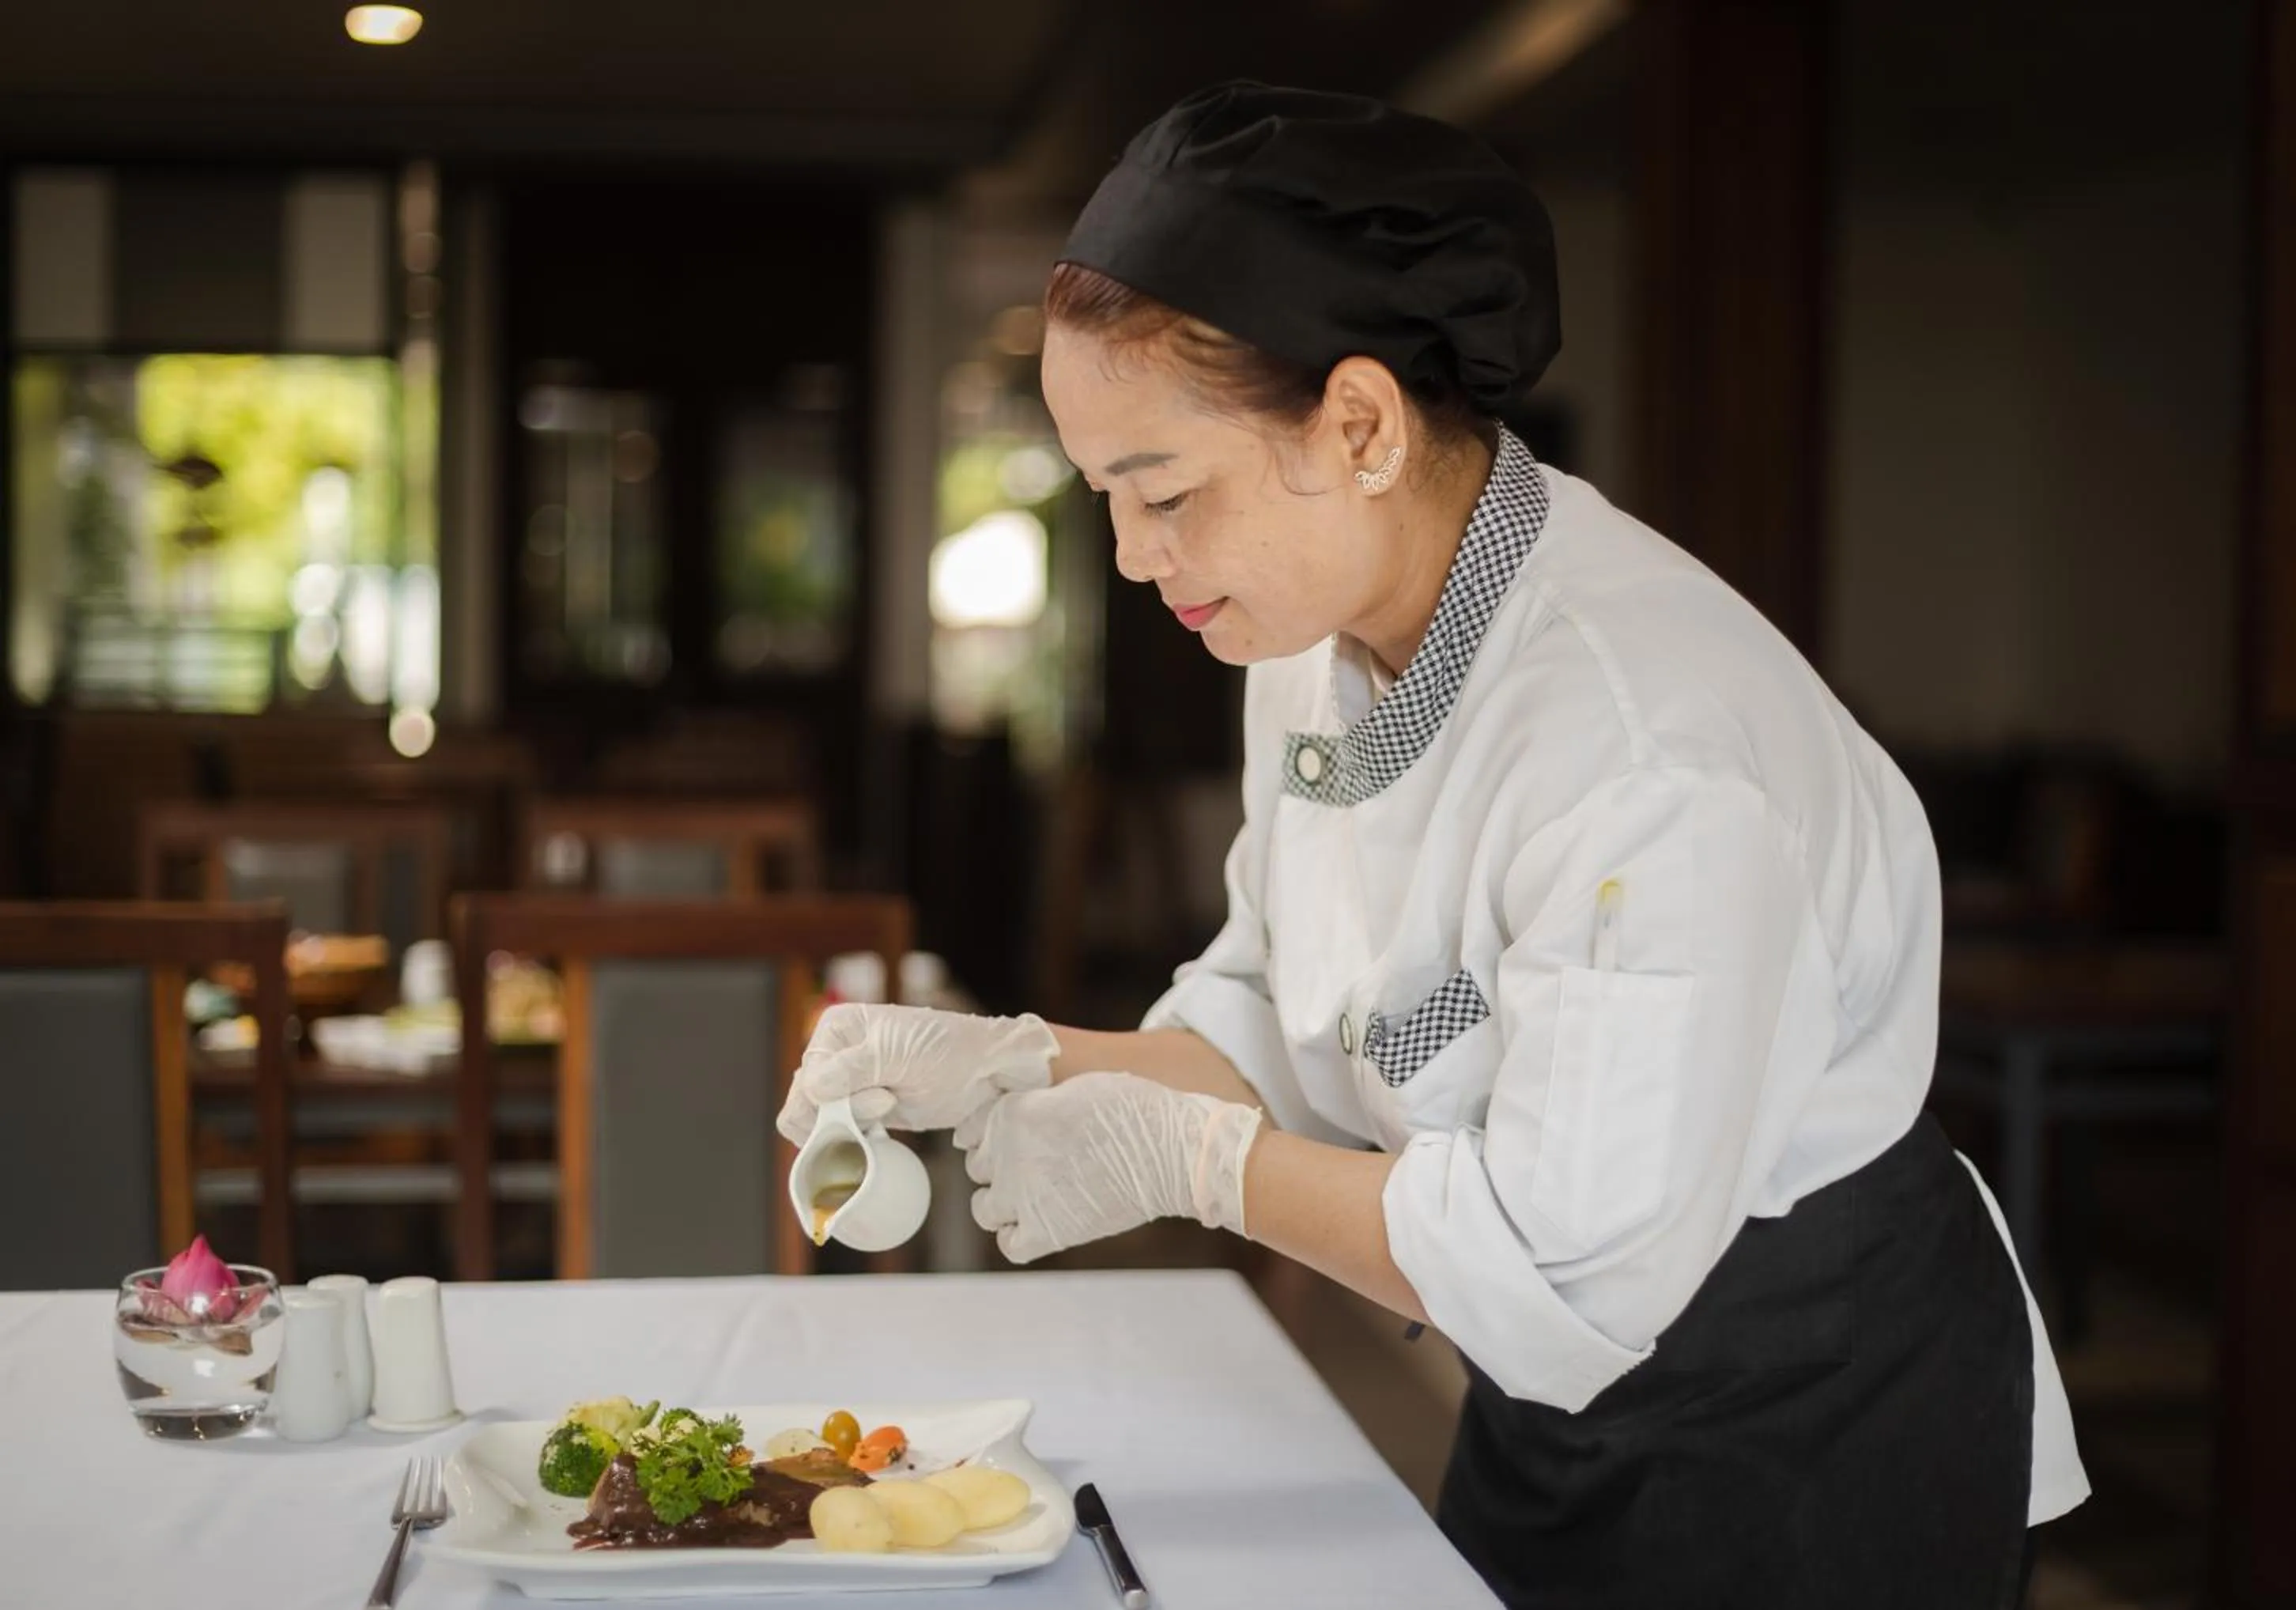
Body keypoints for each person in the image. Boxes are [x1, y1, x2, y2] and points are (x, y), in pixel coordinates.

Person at [780, 81, 2086, 1609]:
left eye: (1166, 492)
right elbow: (1273, 1012)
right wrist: (1020, 1057)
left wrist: (1199, 1166)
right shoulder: (1307, 642)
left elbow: (1556, 1275)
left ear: (1358, 423)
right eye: (1105, 500)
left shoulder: (1646, 749)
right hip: (1542, 1409)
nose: (1135, 559)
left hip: (1802, 1415)